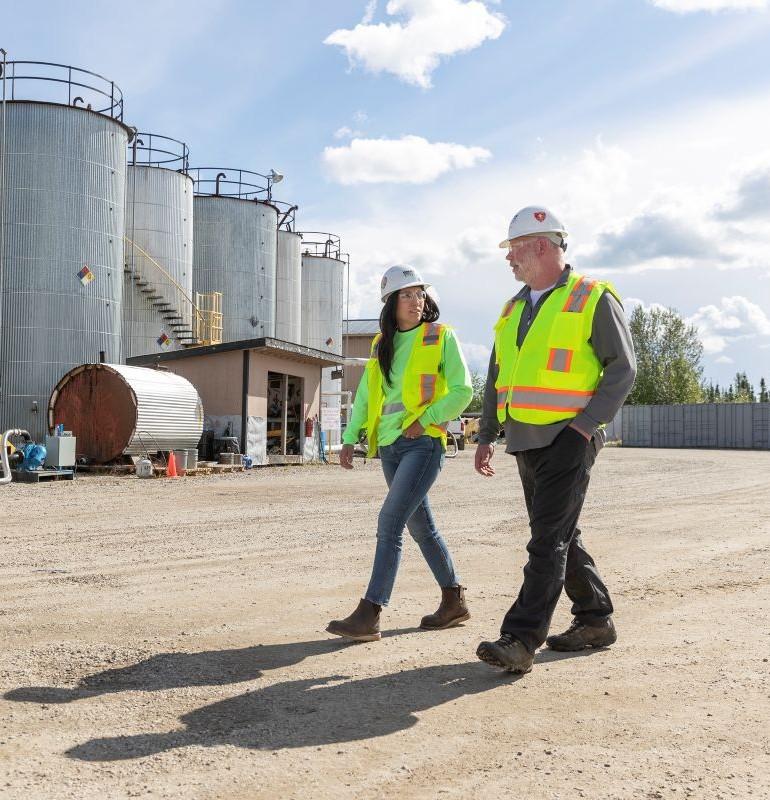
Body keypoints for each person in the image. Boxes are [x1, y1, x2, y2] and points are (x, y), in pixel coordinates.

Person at [474, 207, 636, 674]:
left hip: (570, 436)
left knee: (546, 540)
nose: (509, 260)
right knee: (560, 534)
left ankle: (521, 638)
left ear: (541, 245)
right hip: (524, 437)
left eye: (514, 249)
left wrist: (586, 425)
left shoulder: (592, 297)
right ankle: (595, 619)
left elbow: (623, 368)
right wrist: (486, 434)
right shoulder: (512, 308)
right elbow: (497, 376)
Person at [327, 265, 474, 642]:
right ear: (391, 303)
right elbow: (367, 395)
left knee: (390, 522)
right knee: (421, 526)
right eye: (406, 295)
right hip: (389, 446)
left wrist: (426, 420)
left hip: (423, 444)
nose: (416, 300)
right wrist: (350, 436)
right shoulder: (382, 344)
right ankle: (454, 601)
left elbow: (462, 391)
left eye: (420, 293)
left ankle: (370, 612)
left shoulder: (440, 337)